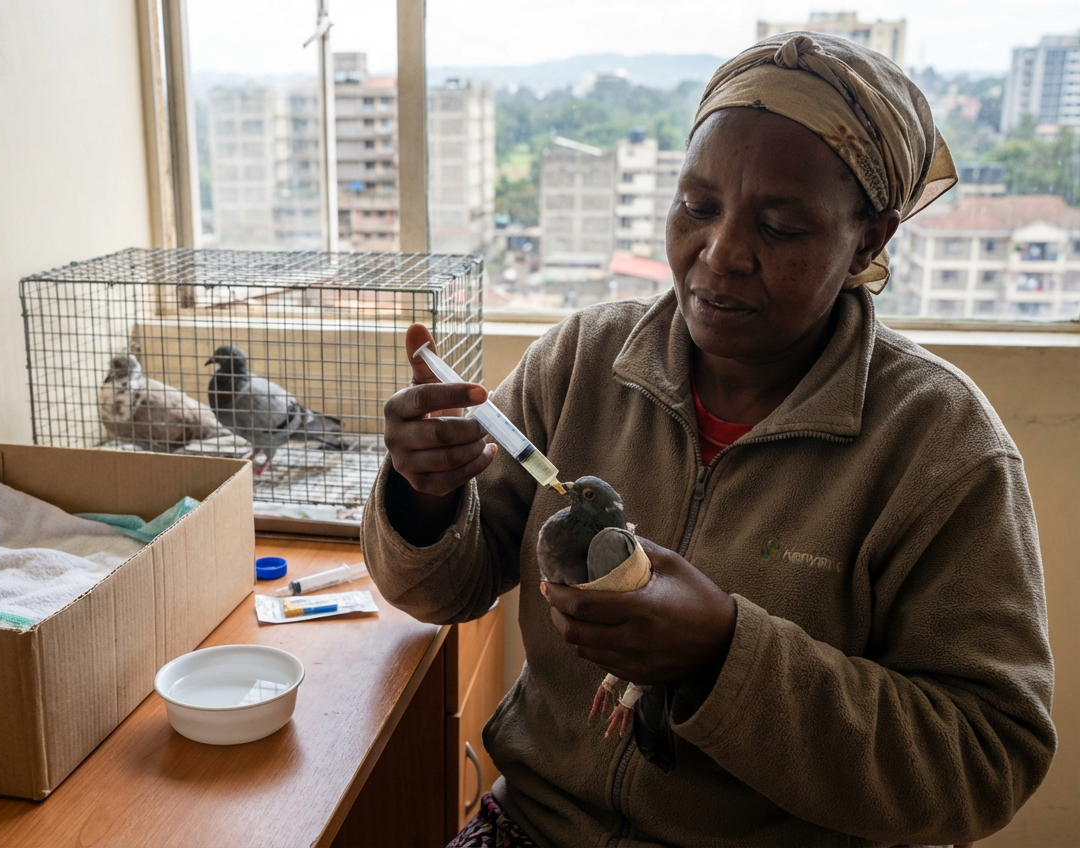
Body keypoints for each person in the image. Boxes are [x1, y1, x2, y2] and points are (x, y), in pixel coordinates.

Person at [362, 32, 1056, 847]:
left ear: (869, 240)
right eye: (697, 207)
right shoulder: (584, 360)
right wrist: (424, 494)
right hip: (537, 828)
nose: (720, 256)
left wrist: (726, 656)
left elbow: (984, 766)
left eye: (781, 226)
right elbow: (440, 592)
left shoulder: (939, 448)